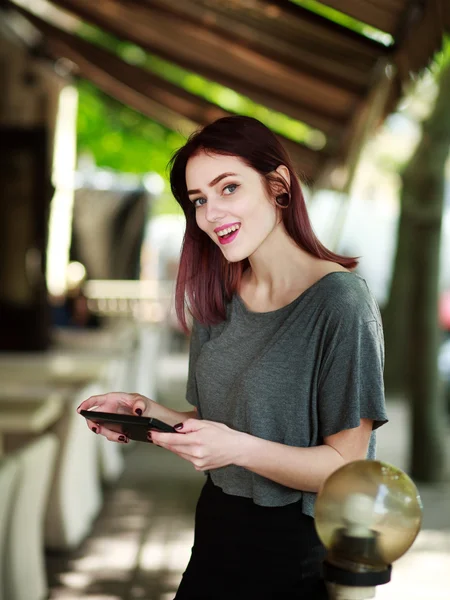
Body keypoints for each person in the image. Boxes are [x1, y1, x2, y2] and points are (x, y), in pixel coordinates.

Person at [78, 116, 388, 599]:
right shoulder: (217, 295)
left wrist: (235, 448)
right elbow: (221, 421)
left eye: (228, 188)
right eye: (199, 200)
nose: (210, 213)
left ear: (278, 186)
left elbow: (345, 467)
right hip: (216, 535)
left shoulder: (341, 304)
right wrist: (148, 415)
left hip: (296, 554)